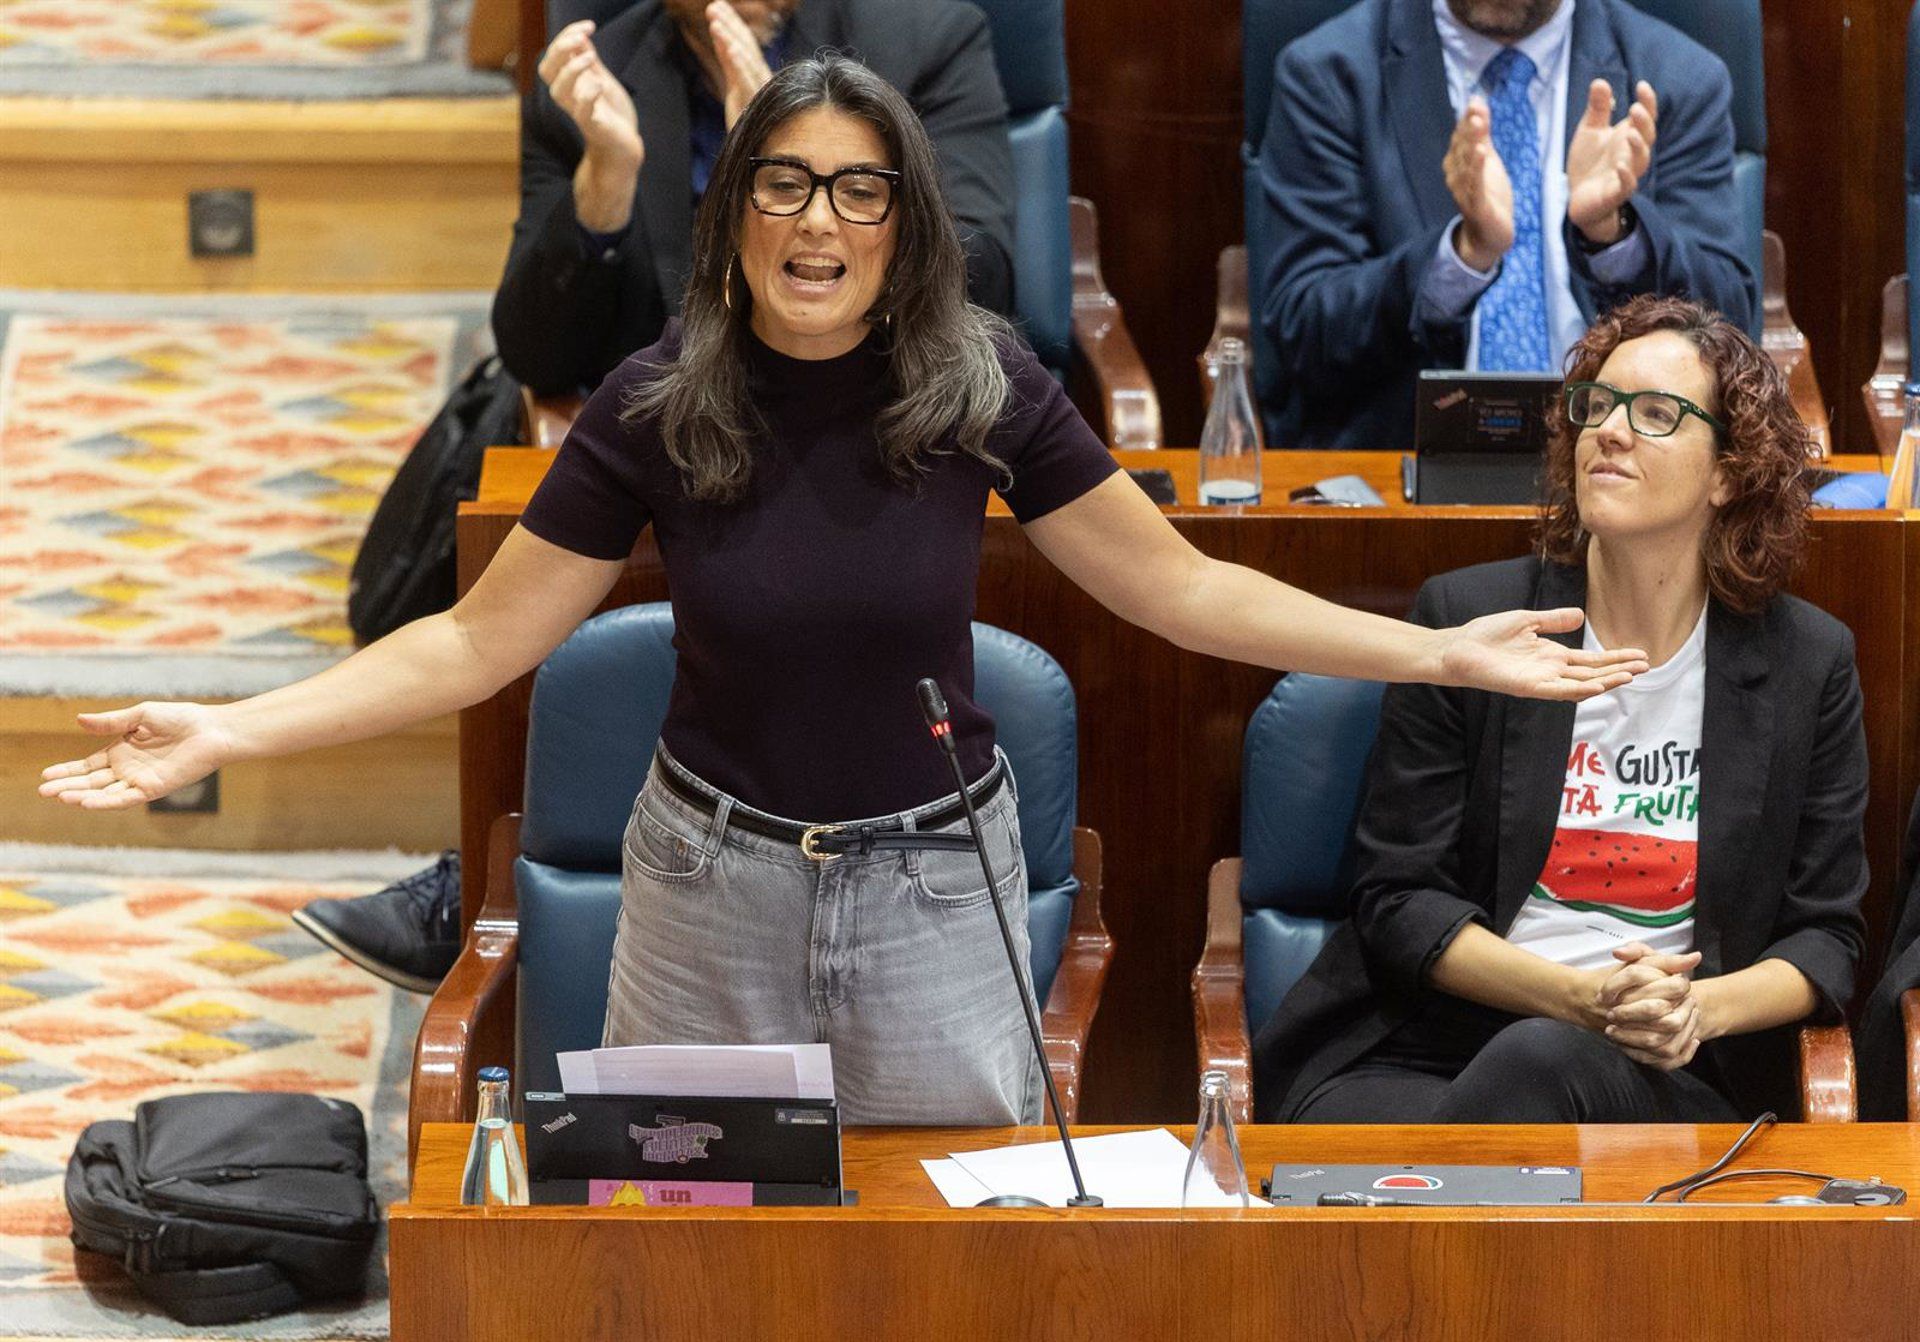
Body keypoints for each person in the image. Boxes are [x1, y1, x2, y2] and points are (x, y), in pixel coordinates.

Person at [41, 57, 1642, 1126]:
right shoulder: (659, 397)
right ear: (737, 216)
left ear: (902, 226)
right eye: (786, 185)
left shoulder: (979, 379)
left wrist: (1444, 657)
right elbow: (476, 638)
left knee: (936, 1252)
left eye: (860, 190)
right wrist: (231, 726)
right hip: (704, 889)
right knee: (690, 1242)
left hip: (936, 893)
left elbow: (1185, 592)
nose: (821, 221)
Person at [1251, 294, 1867, 1125]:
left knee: (1541, 1065)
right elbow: (1399, 898)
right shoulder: (1471, 621)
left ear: (1728, 473)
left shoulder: (1806, 662)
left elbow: (1826, 937)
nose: (1609, 431)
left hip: (1662, 1074)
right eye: (1598, 405)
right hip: (1427, 1046)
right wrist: (1579, 999)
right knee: (1532, 1059)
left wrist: (1696, 1010)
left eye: (1657, 415)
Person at [1257, 0, 1754, 450]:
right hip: (1401, 464)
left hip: (1622, 466)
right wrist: (1461, 257)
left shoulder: (1678, 77)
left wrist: (1613, 235)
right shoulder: (1329, 74)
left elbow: (1729, 327)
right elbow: (1301, 331)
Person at [493, 0, 1015, 398]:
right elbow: (535, 356)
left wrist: (788, 156)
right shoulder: (586, 85)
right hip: (666, 439)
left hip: (878, 411)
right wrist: (606, 183)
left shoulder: (927, 43)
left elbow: (981, 281)